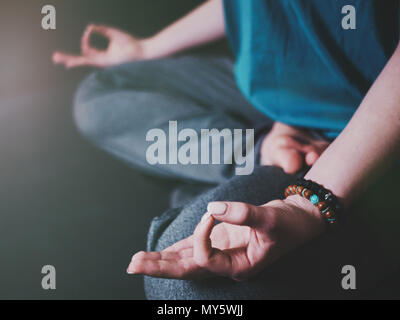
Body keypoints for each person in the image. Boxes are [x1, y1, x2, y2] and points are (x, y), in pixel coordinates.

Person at [53, 0, 400, 299]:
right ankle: (263, 151)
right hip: (269, 95)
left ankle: (233, 172)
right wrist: (146, 48)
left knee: (188, 291)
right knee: (103, 92)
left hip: (362, 136)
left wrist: (306, 205)